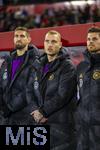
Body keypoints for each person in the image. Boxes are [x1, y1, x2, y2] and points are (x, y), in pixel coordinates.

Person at [30, 30, 77, 149]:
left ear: (60, 44)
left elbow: (63, 95)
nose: (50, 45)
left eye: (53, 42)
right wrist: (35, 110)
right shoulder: (38, 65)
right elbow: (30, 90)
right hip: (39, 124)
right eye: (47, 41)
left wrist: (42, 112)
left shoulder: (67, 66)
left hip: (60, 126)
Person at [0, 26, 40, 125]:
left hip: (24, 118)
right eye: (16, 36)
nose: (18, 38)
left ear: (28, 39)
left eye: (22, 36)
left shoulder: (35, 62)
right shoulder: (7, 61)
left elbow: (29, 89)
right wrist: (2, 106)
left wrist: (9, 107)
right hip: (5, 118)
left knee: (22, 141)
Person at [76, 26, 100, 150]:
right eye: (89, 39)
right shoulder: (81, 66)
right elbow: (76, 95)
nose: (90, 41)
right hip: (82, 127)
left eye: (94, 39)